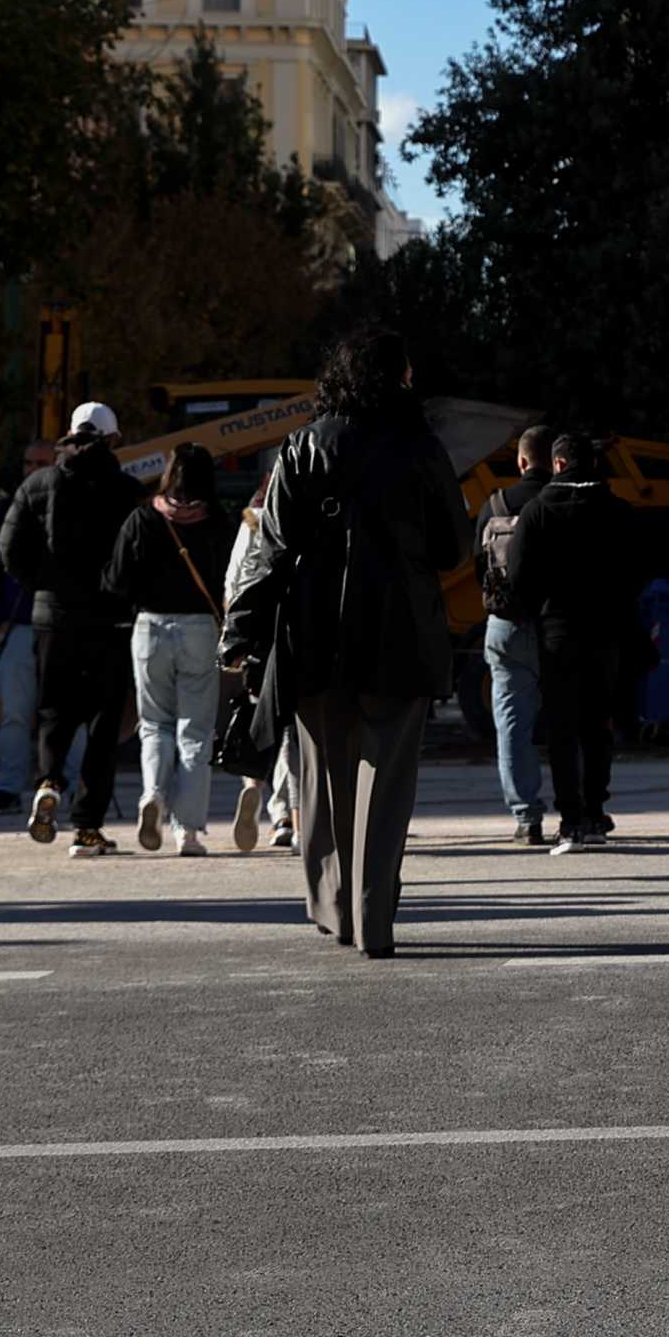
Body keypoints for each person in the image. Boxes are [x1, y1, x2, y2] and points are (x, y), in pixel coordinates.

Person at [221, 328, 470, 957]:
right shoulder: (422, 447)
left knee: (322, 782)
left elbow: (269, 550)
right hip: (403, 638)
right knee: (386, 790)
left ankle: (334, 911)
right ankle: (375, 921)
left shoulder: (304, 444)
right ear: (399, 378)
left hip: (315, 639)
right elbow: (452, 547)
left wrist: (241, 632)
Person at [0, 403, 146, 856]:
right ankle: (87, 827)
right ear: (111, 439)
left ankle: (48, 782)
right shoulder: (126, 490)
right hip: (109, 620)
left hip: (52, 618)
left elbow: (10, 547)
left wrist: (43, 585)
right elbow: (137, 556)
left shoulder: (38, 484)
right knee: (103, 723)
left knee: (54, 710)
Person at [507, 433, 642, 855]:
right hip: (605, 632)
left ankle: (571, 820)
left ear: (558, 465)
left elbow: (518, 578)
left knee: (562, 728)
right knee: (598, 723)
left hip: (557, 634)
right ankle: (597, 812)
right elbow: (639, 571)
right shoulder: (619, 511)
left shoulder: (537, 511)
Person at [103, 444, 238, 856]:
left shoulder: (143, 518)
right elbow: (233, 578)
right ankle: (188, 831)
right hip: (199, 627)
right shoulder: (218, 521)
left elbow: (115, 579)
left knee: (154, 724)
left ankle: (153, 795)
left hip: (149, 627)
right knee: (195, 731)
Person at [0, 442, 84, 818]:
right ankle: (9, 788)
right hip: (19, 624)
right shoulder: (4, 511)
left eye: (41, 463)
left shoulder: (73, 504)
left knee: (69, 711)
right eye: (28, 463)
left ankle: (73, 785)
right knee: (15, 713)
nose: (32, 469)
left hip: (63, 624)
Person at [476, 424, 558, 845]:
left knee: (511, 726)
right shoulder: (562, 502)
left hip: (505, 626)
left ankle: (527, 817)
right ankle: (576, 811)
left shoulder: (494, 505)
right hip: (557, 625)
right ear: (555, 460)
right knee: (566, 718)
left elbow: (479, 571)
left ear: (521, 461)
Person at [224, 473, 297, 850]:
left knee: (255, 714)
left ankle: (252, 783)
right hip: (289, 633)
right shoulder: (302, 516)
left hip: (255, 634)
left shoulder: (252, 521)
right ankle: (284, 814)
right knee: (288, 727)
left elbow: (233, 579)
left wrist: (232, 632)